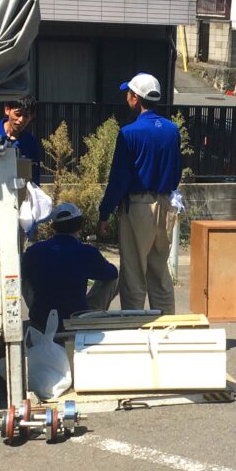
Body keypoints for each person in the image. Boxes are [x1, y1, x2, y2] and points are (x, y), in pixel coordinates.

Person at [92, 73, 181, 314]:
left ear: (136, 98)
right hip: (166, 203)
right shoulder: (172, 131)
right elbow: (176, 173)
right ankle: (166, 325)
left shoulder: (129, 133)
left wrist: (104, 213)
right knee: (159, 269)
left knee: (133, 270)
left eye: (128, 94)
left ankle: (134, 326)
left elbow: (119, 179)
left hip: (138, 205)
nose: (126, 98)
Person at [20, 203, 118, 332]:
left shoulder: (35, 250)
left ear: (53, 227)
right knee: (116, 276)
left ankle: (37, 312)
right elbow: (112, 273)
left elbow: (23, 275)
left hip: (42, 319)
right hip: (76, 317)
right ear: (80, 226)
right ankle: (91, 314)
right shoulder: (86, 252)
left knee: (22, 276)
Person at [0, 94, 42, 184]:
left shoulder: (31, 142)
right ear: (7, 109)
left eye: (26, 116)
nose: (21, 120)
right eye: (18, 114)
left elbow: (34, 177)